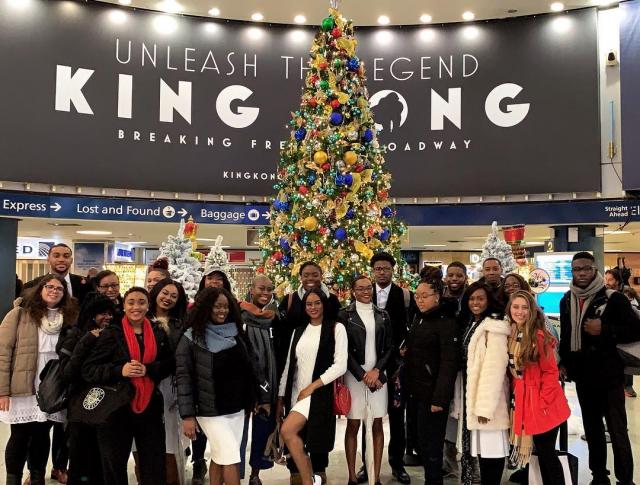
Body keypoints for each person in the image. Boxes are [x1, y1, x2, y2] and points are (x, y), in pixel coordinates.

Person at [559, 252, 638, 485]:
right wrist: (564, 362)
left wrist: (604, 329)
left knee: (617, 430)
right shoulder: (567, 299)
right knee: (592, 429)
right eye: (576, 269)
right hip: (583, 377)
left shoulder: (613, 298)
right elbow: (566, 335)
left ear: (594, 269)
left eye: (586, 268)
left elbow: (635, 331)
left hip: (610, 376)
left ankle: (625, 479)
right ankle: (599, 476)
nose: (581, 273)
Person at [82, 287, 174, 485]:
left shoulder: (158, 333)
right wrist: (119, 371)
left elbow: (169, 364)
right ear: (123, 306)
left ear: (148, 305)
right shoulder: (111, 333)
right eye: (131, 302)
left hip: (149, 407)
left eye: (141, 302)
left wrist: (148, 369)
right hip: (116, 408)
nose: (136, 307)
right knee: (114, 463)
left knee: (153, 462)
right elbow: (89, 369)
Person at [0, 275, 78, 485]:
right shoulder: (19, 314)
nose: (54, 290)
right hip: (23, 384)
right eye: (49, 286)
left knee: (42, 434)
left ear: (65, 294)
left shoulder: (69, 318)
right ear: (40, 289)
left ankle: (37, 477)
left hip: (52, 385)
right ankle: (13, 479)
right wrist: (3, 390)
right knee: (19, 435)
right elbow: (3, 352)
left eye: (59, 288)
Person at [176, 287, 258, 485]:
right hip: (209, 410)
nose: (223, 311)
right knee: (231, 457)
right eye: (217, 306)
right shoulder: (190, 338)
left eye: (226, 306)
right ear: (205, 308)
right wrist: (187, 415)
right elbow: (183, 377)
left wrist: (253, 397)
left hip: (236, 409)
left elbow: (249, 368)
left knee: (221, 456)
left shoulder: (236, 332)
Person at [276, 262, 341, 485]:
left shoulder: (335, 328)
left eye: (317, 303)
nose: (313, 307)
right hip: (296, 392)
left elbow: (339, 364)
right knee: (293, 434)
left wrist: (312, 387)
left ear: (324, 304)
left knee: (293, 431)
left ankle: (312, 476)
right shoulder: (298, 330)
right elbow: (288, 363)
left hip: (317, 393)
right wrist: (281, 395)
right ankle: (307, 478)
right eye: (309, 304)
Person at [506, 290, 570, 484]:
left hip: (543, 404)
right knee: (541, 452)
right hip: (524, 401)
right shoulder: (511, 332)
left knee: (547, 453)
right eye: (516, 307)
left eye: (525, 307)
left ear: (532, 310)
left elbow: (551, 372)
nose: (520, 312)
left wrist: (544, 403)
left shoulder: (539, 336)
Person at [404, 272, 460, 485]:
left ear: (437, 296)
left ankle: (434, 480)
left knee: (433, 444)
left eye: (424, 296)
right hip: (417, 391)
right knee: (421, 441)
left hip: (433, 396)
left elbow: (448, 363)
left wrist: (439, 399)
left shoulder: (446, 322)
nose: (420, 300)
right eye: (417, 296)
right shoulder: (420, 317)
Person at [56, 292, 115, 485]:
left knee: (102, 460)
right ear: (91, 314)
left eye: (110, 313)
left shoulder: (112, 336)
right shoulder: (74, 336)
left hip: (105, 408)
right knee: (81, 458)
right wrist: (88, 340)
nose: (107, 317)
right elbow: (67, 373)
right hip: (80, 409)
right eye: (102, 313)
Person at [339, 276, 393, 485]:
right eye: (360, 288)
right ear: (353, 291)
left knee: (377, 423)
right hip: (355, 377)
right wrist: (363, 375)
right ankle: (352, 477)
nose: (365, 291)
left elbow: (390, 347)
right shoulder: (345, 315)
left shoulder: (383, 314)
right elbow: (343, 350)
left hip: (378, 378)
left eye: (368, 287)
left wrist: (377, 371)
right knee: (353, 425)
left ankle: (375, 476)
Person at [365, 252, 413, 484]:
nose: (381, 272)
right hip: (370, 364)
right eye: (378, 269)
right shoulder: (364, 294)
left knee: (396, 417)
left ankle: (397, 463)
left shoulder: (404, 296)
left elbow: (413, 326)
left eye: (386, 268)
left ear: (393, 270)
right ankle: (368, 464)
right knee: (369, 417)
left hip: (396, 367)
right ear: (373, 271)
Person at [458, 282, 510, 485]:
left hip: (490, 403)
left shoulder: (494, 328)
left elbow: (494, 370)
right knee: (482, 451)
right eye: (471, 298)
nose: (475, 302)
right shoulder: (475, 322)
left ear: (489, 301)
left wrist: (485, 407)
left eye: (480, 298)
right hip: (474, 397)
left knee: (492, 452)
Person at [191, 267, 234, 484]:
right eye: (211, 278)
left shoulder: (232, 310)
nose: (215, 282)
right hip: (201, 385)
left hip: (227, 389)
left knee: (225, 445)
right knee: (202, 432)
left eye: (220, 279)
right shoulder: (194, 310)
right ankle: (198, 461)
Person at [240, 275, 280, 485]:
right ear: (251, 288)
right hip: (245, 382)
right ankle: (234, 473)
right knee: (239, 433)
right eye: (261, 289)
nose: (265, 293)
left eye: (269, 290)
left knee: (263, 429)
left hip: (270, 382)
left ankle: (256, 474)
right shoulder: (238, 315)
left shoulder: (275, 317)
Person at [148, 279, 188, 485]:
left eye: (174, 296)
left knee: (170, 441)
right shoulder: (141, 319)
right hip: (142, 387)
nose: (168, 299)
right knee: (143, 443)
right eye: (165, 293)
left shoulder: (180, 324)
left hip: (171, 387)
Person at [23, 243, 89, 303]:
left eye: (66, 256)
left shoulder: (86, 285)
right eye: (56, 256)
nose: (61, 260)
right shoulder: (32, 286)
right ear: (48, 260)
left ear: (71, 260)